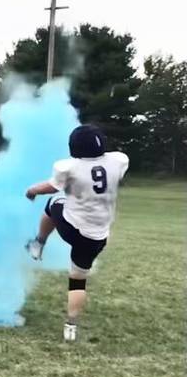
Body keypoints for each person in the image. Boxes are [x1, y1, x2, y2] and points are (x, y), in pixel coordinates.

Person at [24, 124, 129, 342]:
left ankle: (38, 243)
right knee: (78, 281)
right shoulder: (119, 160)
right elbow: (104, 160)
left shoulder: (67, 167)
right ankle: (70, 326)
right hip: (97, 238)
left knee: (54, 202)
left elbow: (52, 187)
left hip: (73, 228)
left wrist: (32, 190)